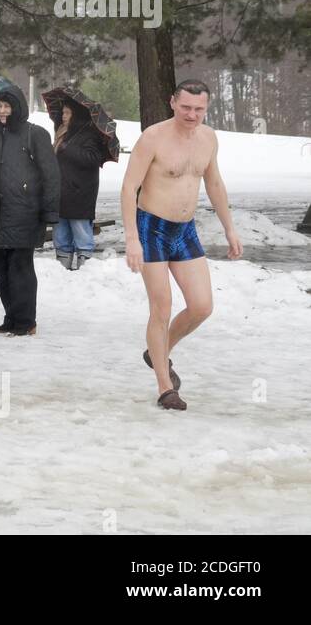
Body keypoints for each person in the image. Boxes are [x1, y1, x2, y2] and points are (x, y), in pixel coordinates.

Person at [121, 80, 241, 411]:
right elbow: (129, 187)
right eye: (185, 107)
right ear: (172, 102)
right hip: (151, 229)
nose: (191, 114)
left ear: (207, 108)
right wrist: (132, 238)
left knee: (202, 306)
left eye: (199, 109)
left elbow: (214, 182)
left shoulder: (208, 138)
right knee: (161, 307)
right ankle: (165, 387)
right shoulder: (153, 138)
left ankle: (157, 351)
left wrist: (229, 228)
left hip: (185, 230)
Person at [0, 87, 59, 337]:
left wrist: (49, 212)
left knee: (20, 269)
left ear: (18, 108)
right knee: (1, 269)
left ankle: (26, 321)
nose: (2, 111)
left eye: (7, 106)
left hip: (25, 213)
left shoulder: (34, 134)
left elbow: (51, 174)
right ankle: (11, 317)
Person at [51, 98, 106, 270]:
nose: (63, 116)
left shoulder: (89, 134)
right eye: (63, 112)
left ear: (77, 115)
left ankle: (85, 271)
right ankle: (62, 270)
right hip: (61, 193)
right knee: (61, 237)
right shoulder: (62, 132)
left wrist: (69, 148)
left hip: (80, 193)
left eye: (67, 113)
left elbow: (93, 159)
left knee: (82, 236)